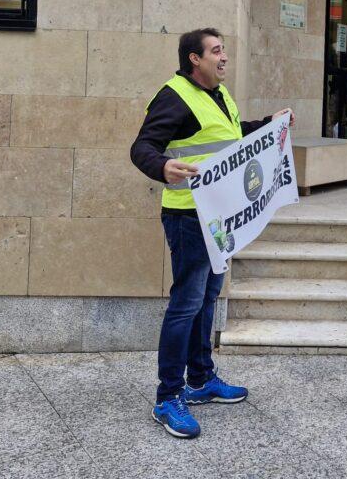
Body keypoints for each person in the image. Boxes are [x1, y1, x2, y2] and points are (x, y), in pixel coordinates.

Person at [131, 27, 293, 438]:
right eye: (216, 51)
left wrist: (265, 125)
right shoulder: (175, 95)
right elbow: (142, 147)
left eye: (224, 51)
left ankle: (201, 380)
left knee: (206, 298)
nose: (224, 58)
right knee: (185, 304)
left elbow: (229, 139)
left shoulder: (218, 94)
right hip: (188, 218)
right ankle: (169, 397)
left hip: (219, 219)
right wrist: (162, 166)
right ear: (194, 59)